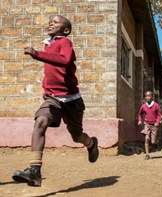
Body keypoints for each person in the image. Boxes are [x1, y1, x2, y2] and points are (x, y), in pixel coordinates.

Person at [12, 15, 99, 186]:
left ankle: (90, 144)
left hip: (72, 99)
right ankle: (35, 171)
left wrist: (37, 54)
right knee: (40, 122)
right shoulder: (48, 44)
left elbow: (65, 60)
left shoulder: (64, 42)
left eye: (55, 22)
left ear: (66, 30)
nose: (50, 23)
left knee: (76, 136)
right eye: (49, 21)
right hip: (52, 97)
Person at [138, 91, 161, 160]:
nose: (148, 97)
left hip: (154, 125)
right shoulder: (143, 106)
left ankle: (155, 143)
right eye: (146, 96)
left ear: (152, 97)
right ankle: (147, 154)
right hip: (147, 124)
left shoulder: (156, 105)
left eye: (149, 96)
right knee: (147, 139)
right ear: (145, 97)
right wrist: (139, 120)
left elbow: (159, 115)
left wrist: (157, 122)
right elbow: (140, 114)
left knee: (153, 141)